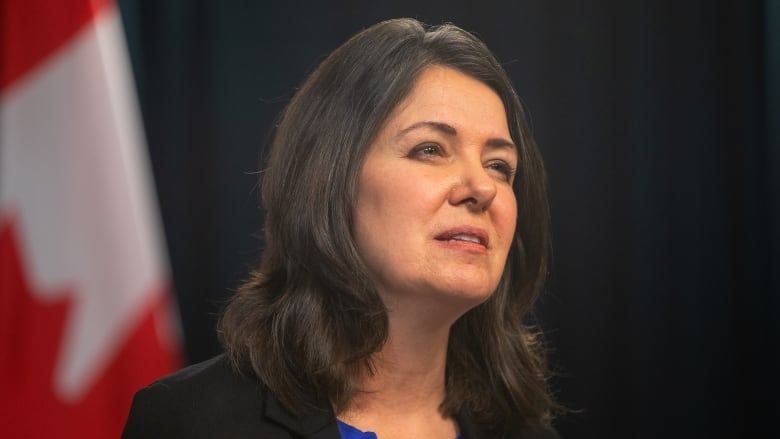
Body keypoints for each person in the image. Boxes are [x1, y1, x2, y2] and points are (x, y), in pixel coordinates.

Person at [122, 17, 560, 439]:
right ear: (331, 179)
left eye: (500, 166)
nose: (482, 187)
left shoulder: (528, 434)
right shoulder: (193, 423)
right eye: (430, 149)